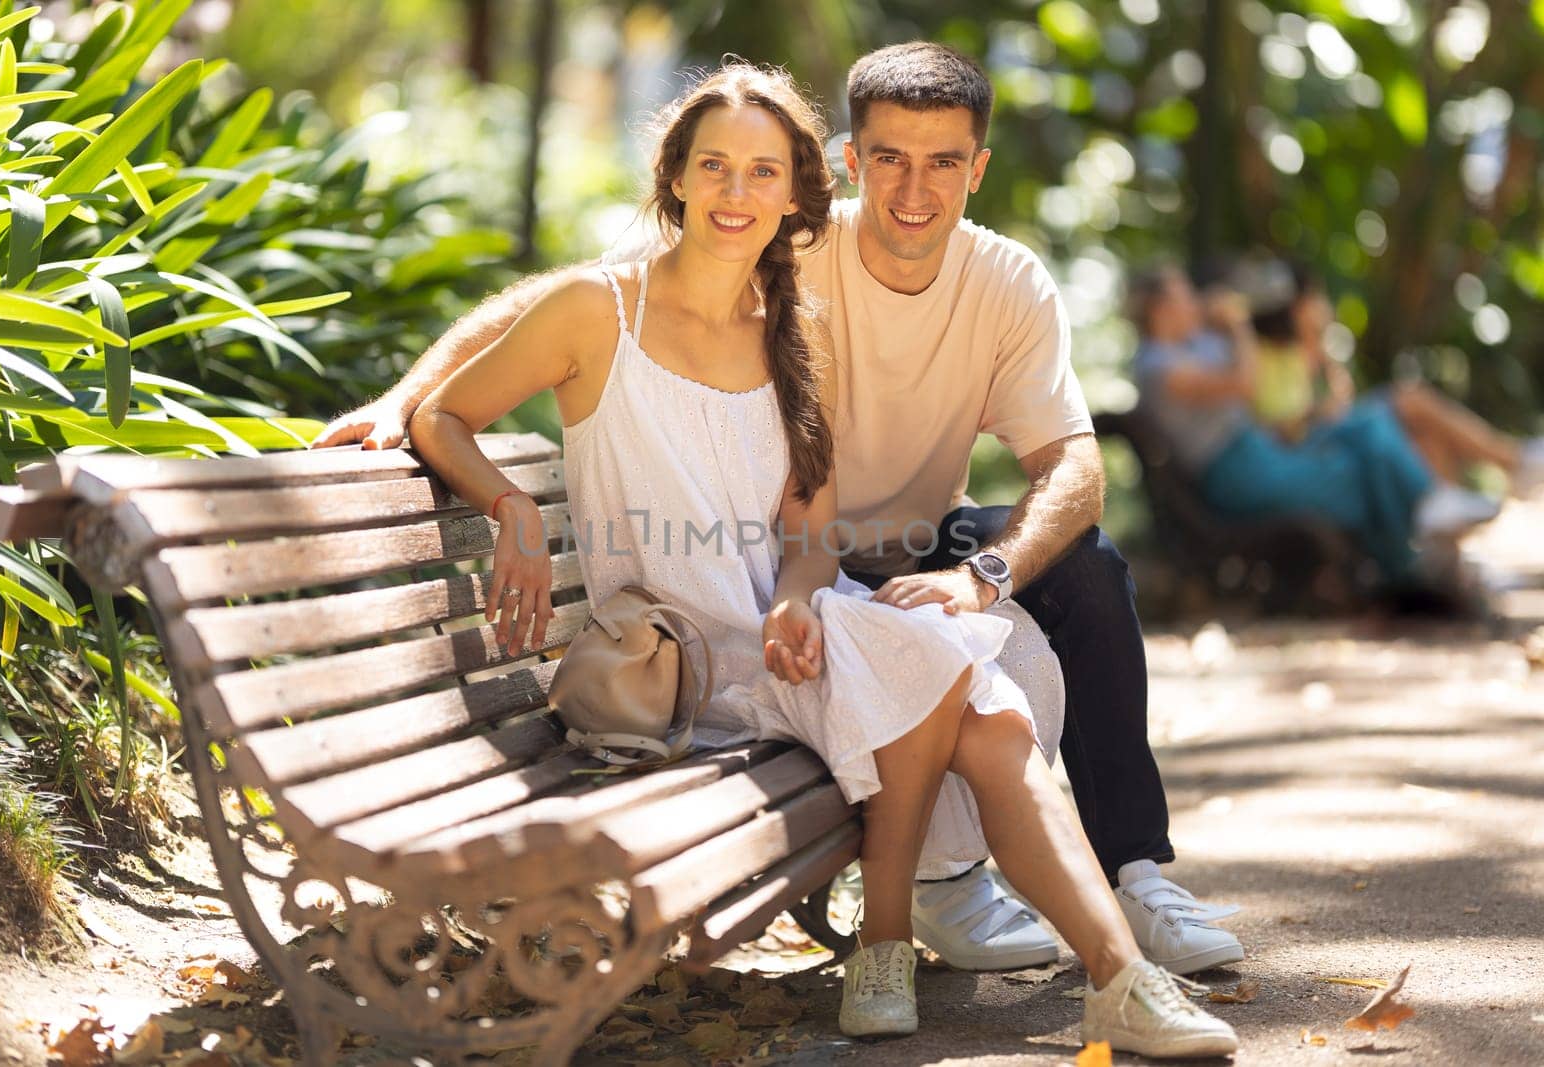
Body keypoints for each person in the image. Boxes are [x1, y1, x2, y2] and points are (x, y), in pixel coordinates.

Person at [316, 43, 1246, 979]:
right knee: (970, 681)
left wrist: (982, 575)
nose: (913, 188)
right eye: (889, 157)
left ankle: (1133, 872)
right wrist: (412, 396)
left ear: (979, 168)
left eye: (944, 162)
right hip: (786, 565)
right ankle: (943, 887)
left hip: (908, 544)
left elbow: (1073, 462)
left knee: (1084, 567)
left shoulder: (1004, 281)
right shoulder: (778, 240)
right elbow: (564, 299)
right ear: (850, 162)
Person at [1130, 264, 1479, 589]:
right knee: (1356, 469)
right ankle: (1409, 558)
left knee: (1371, 426)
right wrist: (1238, 325)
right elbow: (1245, 384)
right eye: (1185, 295)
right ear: (1160, 309)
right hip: (1234, 473)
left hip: (1257, 452)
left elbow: (1272, 359)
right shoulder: (1158, 365)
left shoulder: (1193, 346)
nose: (1195, 302)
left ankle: (1419, 541)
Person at [1245, 259, 1543, 501]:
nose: (1323, 305)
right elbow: (1271, 424)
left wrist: (1324, 359)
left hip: (1339, 434)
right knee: (1411, 399)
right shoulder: (1262, 356)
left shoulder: (1310, 355)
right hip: (1312, 448)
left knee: (1426, 436)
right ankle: (1514, 460)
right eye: (1315, 297)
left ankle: (1443, 550)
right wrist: (1313, 415)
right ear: (1297, 305)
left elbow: (1341, 403)